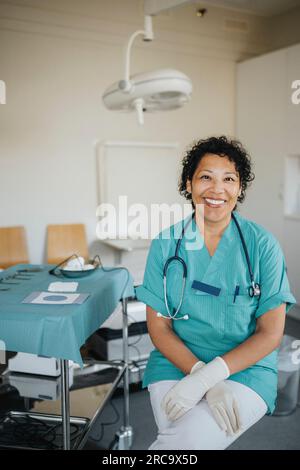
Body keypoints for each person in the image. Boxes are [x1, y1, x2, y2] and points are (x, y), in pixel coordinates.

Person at [135, 136, 296, 450]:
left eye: (229, 179)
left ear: (239, 188)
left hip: (247, 367)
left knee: (185, 442)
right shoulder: (166, 245)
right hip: (177, 361)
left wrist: (210, 378)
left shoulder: (262, 246)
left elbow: (271, 332)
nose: (217, 189)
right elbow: (159, 326)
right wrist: (197, 373)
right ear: (189, 183)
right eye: (206, 177)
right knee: (184, 437)